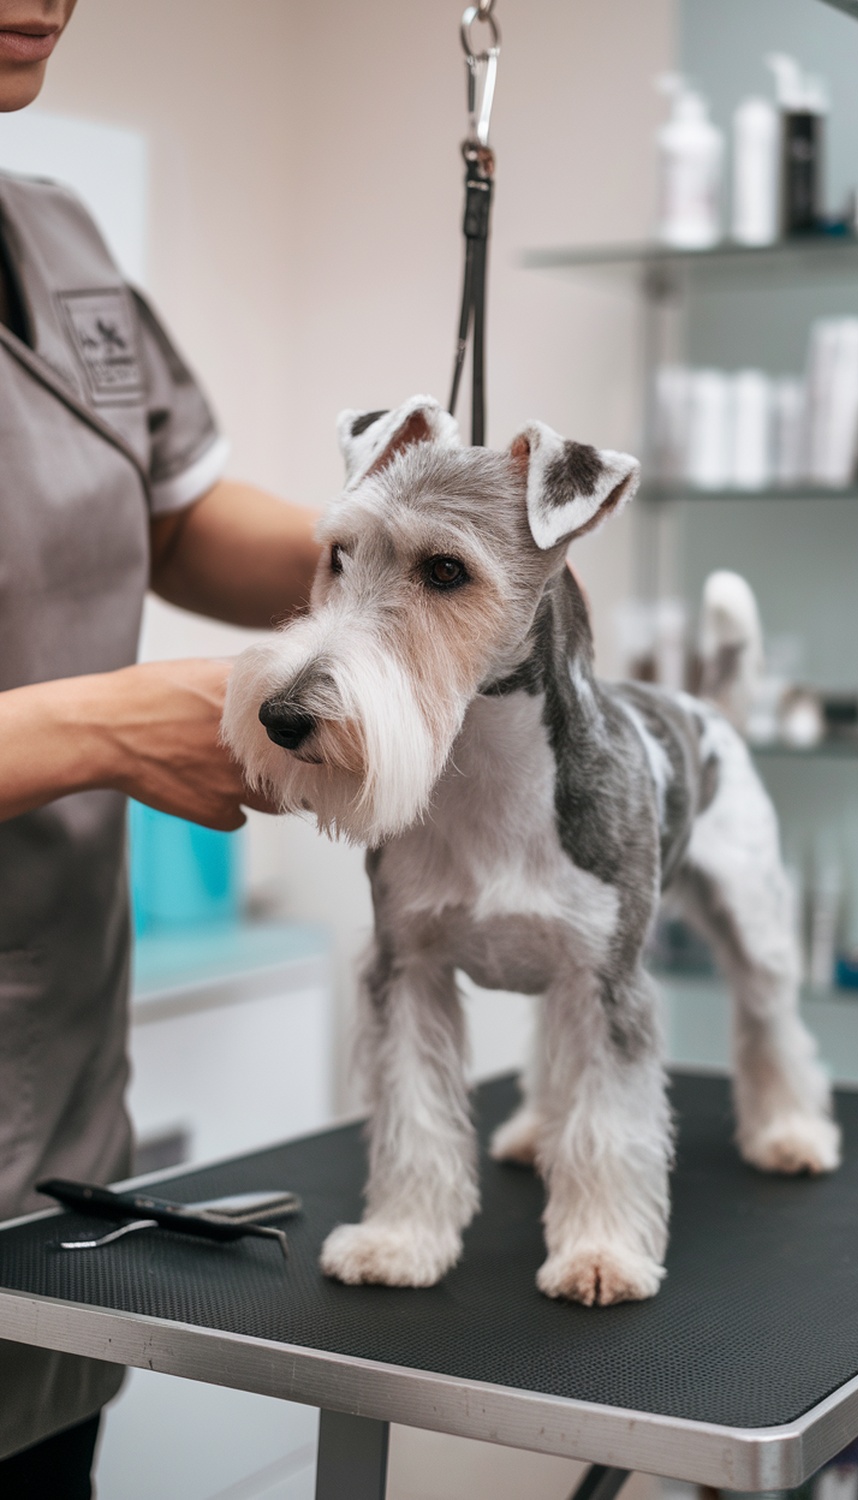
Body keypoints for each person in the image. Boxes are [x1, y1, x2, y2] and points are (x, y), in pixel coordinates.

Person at [0, 4, 322, 1493]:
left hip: (48, 1105)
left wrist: (399, 555)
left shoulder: (54, 230)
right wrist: (95, 728)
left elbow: (178, 516)